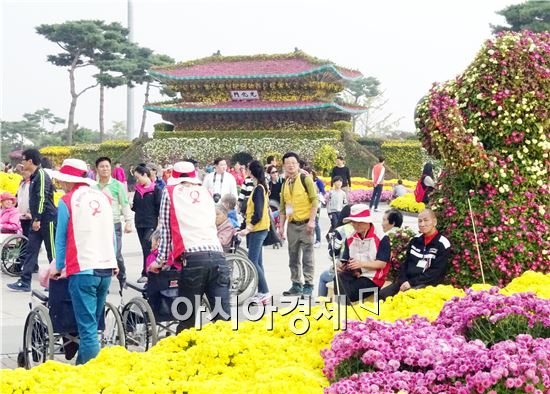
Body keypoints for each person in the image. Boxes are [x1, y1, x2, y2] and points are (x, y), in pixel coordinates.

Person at [48, 158, 117, 365]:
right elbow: (111, 233)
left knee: (87, 329)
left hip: (83, 269)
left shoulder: (67, 201)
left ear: (69, 181)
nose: (60, 184)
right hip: (105, 267)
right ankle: (82, 365)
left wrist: (59, 267)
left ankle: (90, 374)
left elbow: (60, 238)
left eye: (62, 180)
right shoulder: (103, 197)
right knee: (92, 325)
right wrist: (114, 261)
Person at [149, 161, 230, 332]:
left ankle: (185, 353)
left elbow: (166, 229)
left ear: (174, 176)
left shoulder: (169, 192)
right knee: (223, 318)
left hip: (193, 260)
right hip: (218, 256)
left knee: (187, 319)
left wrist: (160, 261)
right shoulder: (205, 192)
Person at [8, 149, 57, 292]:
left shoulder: (41, 175)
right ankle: (24, 281)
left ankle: (55, 281)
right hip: (37, 219)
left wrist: (37, 218)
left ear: (30, 161)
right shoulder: (34, 176)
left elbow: (41, 198)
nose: (22, 163)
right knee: (31, 250)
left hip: (46, 219)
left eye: (23, 160)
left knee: (51, 252)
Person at [379, 209, 450, 301]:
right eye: (420, 221)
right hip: (406, 281)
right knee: (382, 295)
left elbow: (436, 272)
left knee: (404, 299)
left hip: (426, 284)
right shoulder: (415, 240)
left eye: (426, 220)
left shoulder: (442, 244)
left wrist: (411, 283)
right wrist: (403, 281)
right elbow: (405, 263)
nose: (422, 224)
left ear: (434, 222)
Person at [278, 152, 318, 297]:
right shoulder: (285, 184)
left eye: (293, 163)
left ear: (298, 165)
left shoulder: (305, 179)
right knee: (293, 256)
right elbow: (284, 208)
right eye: (287, 163)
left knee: (307, 256)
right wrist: (281, 226)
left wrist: (312, 221)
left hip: (306, 224)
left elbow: (314, 200)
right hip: (292, 225)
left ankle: (308, 285)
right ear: (284, 166)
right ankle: (296, 284)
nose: (290, 165)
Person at [334, 204, 391, 303]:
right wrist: (340, 265)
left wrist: (361, 264)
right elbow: (345, 260)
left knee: (347, 292)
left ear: (367, 221)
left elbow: (382, 263)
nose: (356, 225)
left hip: (373, 278)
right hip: (355, 274)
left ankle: (342, 311)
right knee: (338, 278)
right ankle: (343, 310)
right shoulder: (350, 237)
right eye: (353, 222)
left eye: (359, 222)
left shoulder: (381, 237)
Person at [94, 157, 133, 286]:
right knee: (99, 253)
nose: (105, 169)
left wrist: (128, 221)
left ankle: (122, 278)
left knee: (115, 253)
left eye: (107, 166)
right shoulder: (93, 187)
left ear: (110, 168)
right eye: (102, 166)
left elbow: (125, 204)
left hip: (114, 224)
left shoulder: (118, 185)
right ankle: (103, 281)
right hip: (97, 225)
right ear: (97, 169)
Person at [237, 160, 271, 304]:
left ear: (251, 171)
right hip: (258, 229)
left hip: (257, 229)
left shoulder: (258, 189)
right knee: (258, 261)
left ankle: (264, 291)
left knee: (252, 261)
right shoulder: (259, 187)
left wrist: (248, 228)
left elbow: (258, 212)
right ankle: (261, 291)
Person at [132, 165, 162, 283]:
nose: (137, 180)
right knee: (144, 247)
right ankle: (149, 270)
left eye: (138, 177)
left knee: (147, 247)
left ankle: (147, 272)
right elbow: (135, 206)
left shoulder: (156, 190)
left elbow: (159, 208)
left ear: (145, 175)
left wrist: (159, 223)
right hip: (139, 223)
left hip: (151, 223)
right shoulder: (138, 190)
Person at [318, 204, 354, 297]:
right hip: (363, 269)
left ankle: (321, 305)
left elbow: (332, 254)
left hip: (344, 269)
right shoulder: (366, 228)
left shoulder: (341, 230)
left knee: (323, 277)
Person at [16, 169, 32, 265]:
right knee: (24, 240)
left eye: (25, 171)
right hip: (21, 216)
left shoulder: (32, 184)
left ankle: (25, 262)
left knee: (27, 241)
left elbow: (33, 199)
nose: (23, 172)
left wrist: (30, 212)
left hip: (29, 217)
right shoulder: (22, 183)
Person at [312, 170, 325, 248]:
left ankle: (318, 240)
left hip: (317, 205)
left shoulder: (318, 181)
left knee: (315, 222)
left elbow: (323, 192)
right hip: (308, 206)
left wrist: (318, 193)